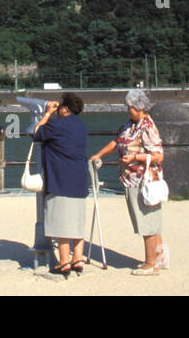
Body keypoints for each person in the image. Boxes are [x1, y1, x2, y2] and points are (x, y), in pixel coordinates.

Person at [89, 88, 168, 275]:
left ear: (140, 108)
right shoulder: (130, 124)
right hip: (131, 179)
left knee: (147, 221)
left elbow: (158, 156)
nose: (128, 110)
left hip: (143, 180)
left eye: (131, 107)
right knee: (150, 220)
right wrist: (99, 154)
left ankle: (151, 264)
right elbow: (118, 142)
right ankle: (160, 258)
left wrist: (135, 157)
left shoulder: (147, 127)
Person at [31, 92, 89, 276]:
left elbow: (36, 132)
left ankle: (64, 262)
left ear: (64, 109)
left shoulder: (57, 124)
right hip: (80, 178)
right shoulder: (81, 126)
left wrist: (47, 113)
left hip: (61, 178)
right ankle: (77, 258)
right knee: (77, 220)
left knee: (61, 220)